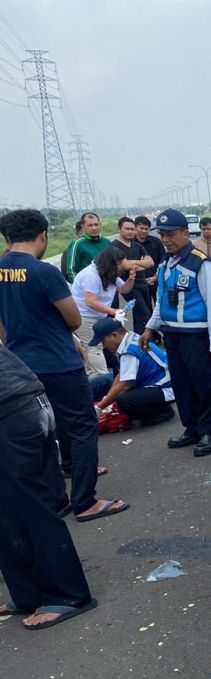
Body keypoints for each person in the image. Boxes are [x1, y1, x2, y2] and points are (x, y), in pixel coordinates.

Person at [0, 209, 127, 522]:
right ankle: (85, 501)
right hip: (58, 362)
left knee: (45, 430)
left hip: (21, 365)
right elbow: (73, 318)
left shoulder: (1, 270)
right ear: (43, 235)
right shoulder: (43, 271)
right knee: (83, 426)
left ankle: (58, 499)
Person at [0, 344, 98, 630]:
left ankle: (68, 595)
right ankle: (27, 594)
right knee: (8, 512)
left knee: (29, 507)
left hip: (12, 410)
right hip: (23, 402)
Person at [141, 208, 211, 457]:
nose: (166, 239)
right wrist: (150, 328)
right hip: (172, 336)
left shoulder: (200, 262)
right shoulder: (166, 263)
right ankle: (192, 428)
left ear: (186, 233)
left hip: (196, 336)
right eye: (163, 234)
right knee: (181, 384)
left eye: (171, 234)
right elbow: (161, 301)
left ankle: (210, 432)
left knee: (203, 385)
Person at [89, 318, 175, 425]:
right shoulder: (129, 338)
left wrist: (100, 407)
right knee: (105, 381)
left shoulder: (128, 351)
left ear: (114, 335)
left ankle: (159, 412)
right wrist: (107, 398)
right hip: (153, 380)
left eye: (104, 341)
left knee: (124, 400)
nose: (104, 346)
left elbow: (125, 385)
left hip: (166, 387)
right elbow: (121, 375)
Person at [72, 245, 136, 376]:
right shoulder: (91, 275)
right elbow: (90, 301)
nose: (121, 268)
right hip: (84, 316)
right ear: (109, 263)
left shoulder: (109, 273)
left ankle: (93, 376)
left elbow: (123, 289)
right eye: (119, 264)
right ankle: (101, 376)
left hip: (99, 315)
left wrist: (131, 279)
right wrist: (113, 311)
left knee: (98, 346)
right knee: (94, 347)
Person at [111, 216, 154, 333]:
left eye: (132, 229)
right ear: (120, 229)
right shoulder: (114, 246)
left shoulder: (137, 245)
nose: (130, 232)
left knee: (143, 314)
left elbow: (150, 263)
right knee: (144, 315)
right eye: (127, 229)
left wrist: (132, 263)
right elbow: (124, 265)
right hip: (129, 286)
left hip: (143, 283)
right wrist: (141, 264)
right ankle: (144, 342)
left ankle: (138, 339)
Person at [65, 212, 111, 282]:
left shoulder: (107, 242)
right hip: (88, 289)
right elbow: (71, 270)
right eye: (90, 225)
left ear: (100, 225)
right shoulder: (77, 244)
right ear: (83, 227)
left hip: (108, 287)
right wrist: (81, 289)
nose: (94, 228)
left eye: (96, 224)